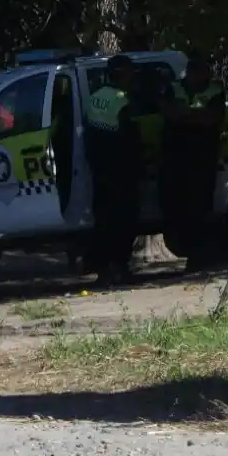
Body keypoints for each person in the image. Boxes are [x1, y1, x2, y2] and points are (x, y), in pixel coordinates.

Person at [160, 57, 226, 272]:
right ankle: (186, 251)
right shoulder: (174, 88)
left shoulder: (215, 91)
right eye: (195, 71)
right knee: (178, 209)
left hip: (202, 160)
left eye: (203, 72)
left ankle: (199, 257)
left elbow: (211, 119)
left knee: (201, 209)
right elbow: (170, 114)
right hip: (176, 159)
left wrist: (185, 116)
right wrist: (194, 116)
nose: (199, 76)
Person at [84, 55, 143, 284]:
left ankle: (103, 269)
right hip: (121, 168)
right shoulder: (121, 99)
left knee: (104, 219)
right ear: (122, 74)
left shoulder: (94, 97)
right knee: (124, 220)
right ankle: (120, 266)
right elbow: (130, 135)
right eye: (130, 73)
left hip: (100, 168)